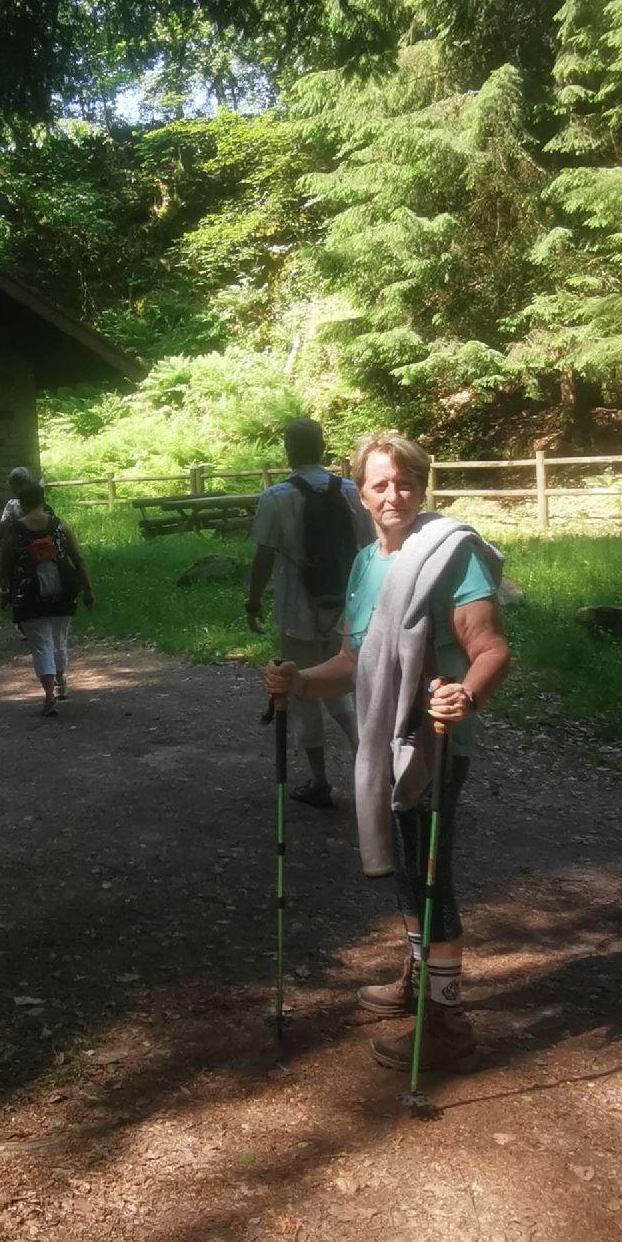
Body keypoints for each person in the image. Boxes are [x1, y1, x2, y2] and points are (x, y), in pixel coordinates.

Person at [262, 432, 509, 1077]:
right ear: (361, 494)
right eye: (380, 484)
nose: (393, 494)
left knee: (429, 876)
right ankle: (420, 978)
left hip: (435, 740)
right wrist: (299, 681)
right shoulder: (365, 563)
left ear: (421, 486)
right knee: (406, 868)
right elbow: (353, 661)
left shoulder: (452, 553)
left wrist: (465, 696)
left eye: (405, 482)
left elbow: (490, 649)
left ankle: (448, 1023)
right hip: (383, 739)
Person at [244, 417, 371, 808]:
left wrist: (253, 602)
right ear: (323, 447)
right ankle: (367, 761)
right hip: (346, 606)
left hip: (298, 609)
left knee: (301, 690)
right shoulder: (351, 491)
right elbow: (370, 547)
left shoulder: (276, 497)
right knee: (341, 681)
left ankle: (319, 781)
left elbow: (264, 556)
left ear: (288, 450)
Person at [0, 468, 94, 717]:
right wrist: (87, 588)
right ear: (43, 500)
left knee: (41, 644)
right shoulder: (60, 526)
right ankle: (61, 681)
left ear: (22, 504)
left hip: (29, 592)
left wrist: (5, 592)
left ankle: (49, 695)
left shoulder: (15, 531)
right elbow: (79, 558)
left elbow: (5, 565)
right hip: (64, 587)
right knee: (59, 638)